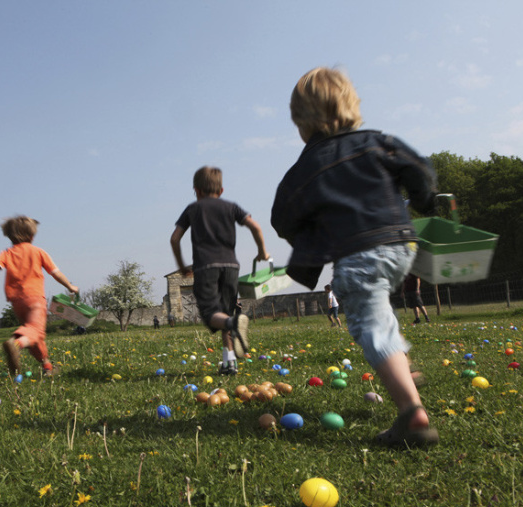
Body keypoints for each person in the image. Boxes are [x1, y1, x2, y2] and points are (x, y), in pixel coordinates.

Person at [270, 67, 439, 447]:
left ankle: (412, 413)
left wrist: (309, 233)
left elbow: (281, 217)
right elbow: (420, 171)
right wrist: (424, 201)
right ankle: (403, 369)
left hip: (358, 256)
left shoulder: (305, 168)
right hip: (401, 247)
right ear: (352, 105)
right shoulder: (379, 142)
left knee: (371, 326)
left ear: (301, 122)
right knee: (380, 312)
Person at [171, 166, 269, 376]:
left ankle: (233, 322)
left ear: (196, 190)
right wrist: (262, 251)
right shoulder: (231, 207)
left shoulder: (192, 209)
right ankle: (229, 362)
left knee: (211, 314)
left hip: (206, 267)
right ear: (221, 190)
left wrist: (180, 265)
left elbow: (174, 238)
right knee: (224, 313)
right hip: (231, 267)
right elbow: (255, 226)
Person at [0, 216, 78, 377]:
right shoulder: (38, 252)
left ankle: (47, 366)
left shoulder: (7, 253)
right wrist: (69, 286)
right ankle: (16, 344)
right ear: (32, 235)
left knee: (32, 334)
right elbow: (55, 273)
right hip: (35, 298)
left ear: (9, 236)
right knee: (36, 331)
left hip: (17, 301)